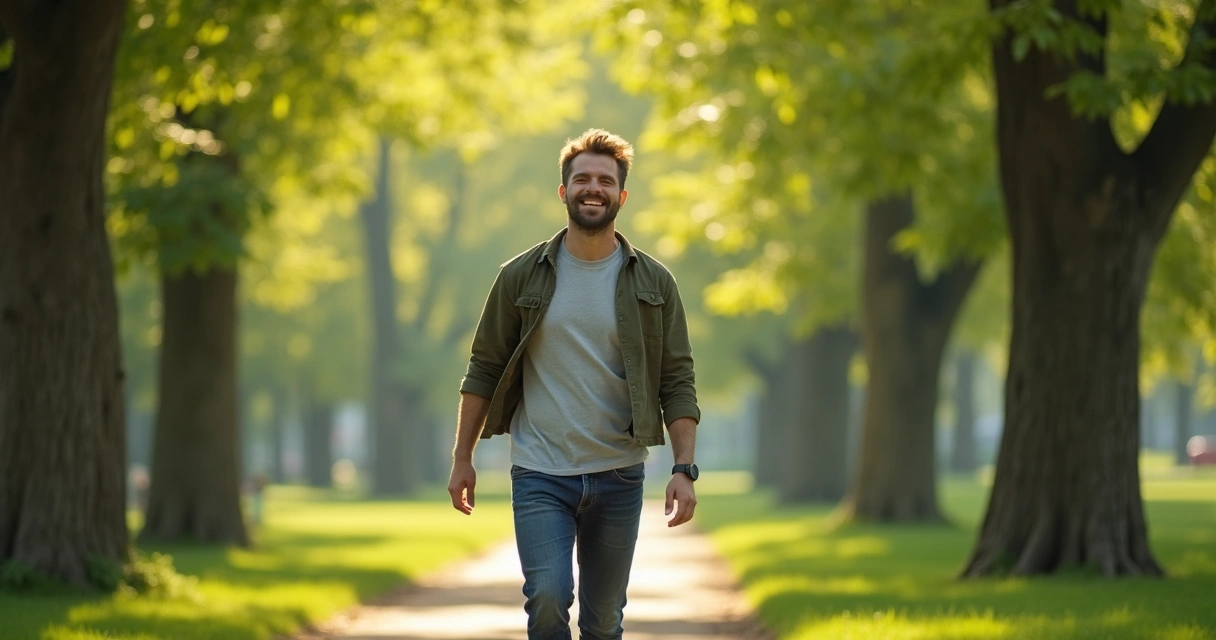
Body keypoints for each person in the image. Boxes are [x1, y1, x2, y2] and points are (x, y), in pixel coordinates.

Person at [447, 128, 701, 640]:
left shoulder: (654, 282)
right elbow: (483, 368)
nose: (593, 188)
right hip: (541, 471)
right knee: (546, 598)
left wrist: (683, 468)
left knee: (604, 622)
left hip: (620, 474)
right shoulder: (520, 276)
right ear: (562, 191)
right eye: (581, 178)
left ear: (621, 196)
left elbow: (677, 379)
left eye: (605, 180)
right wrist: (462, 458)